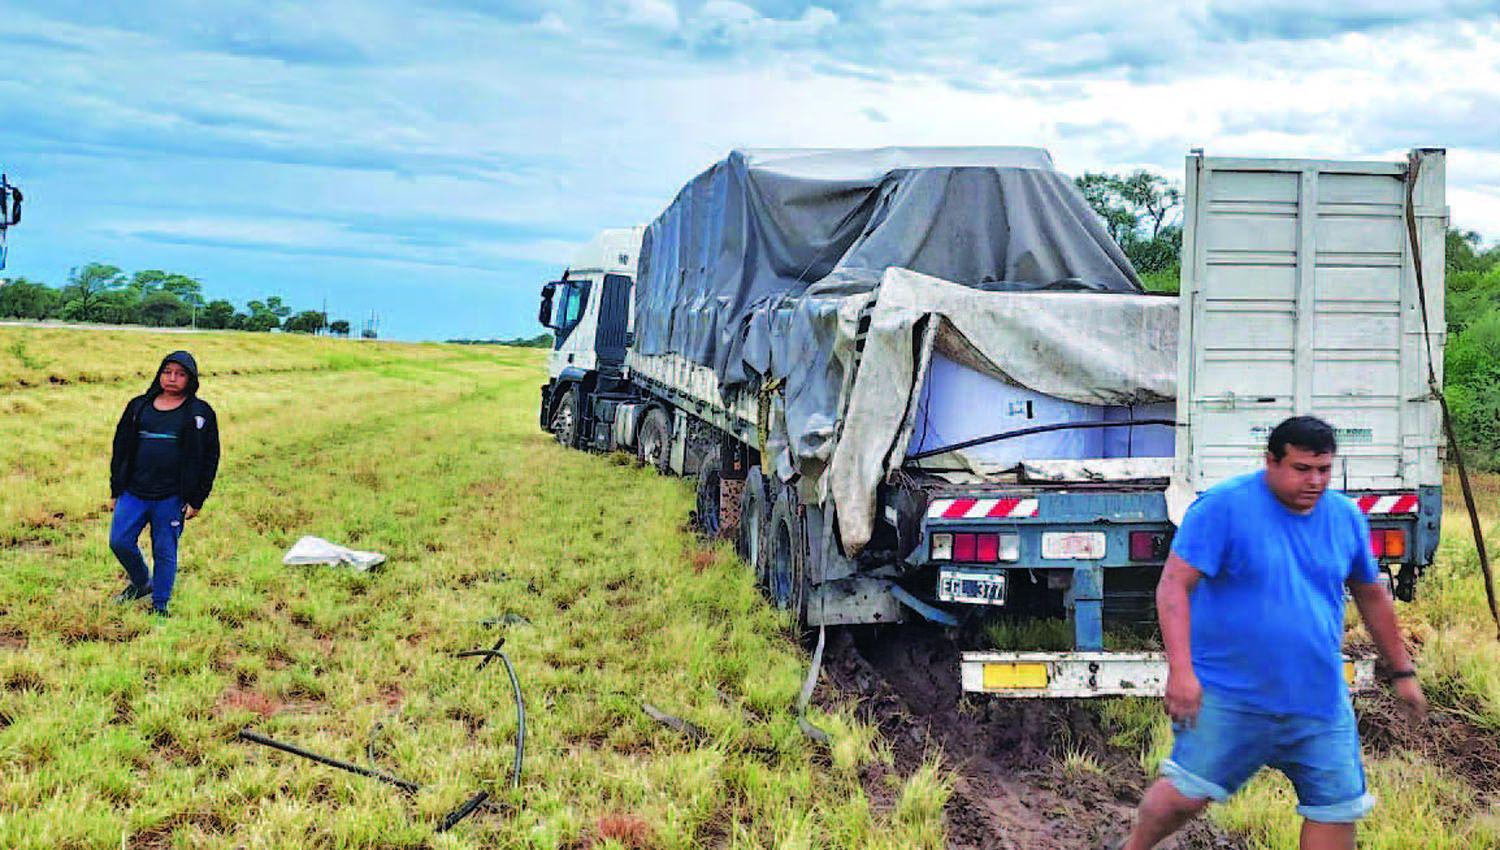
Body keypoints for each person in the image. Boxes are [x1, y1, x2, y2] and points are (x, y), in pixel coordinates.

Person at [1122, 416, 1426, 850]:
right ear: (1270, 461)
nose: (1315, 481)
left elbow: (1371, 595)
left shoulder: (1344, 518)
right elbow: (1173, 586)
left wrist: (1402, 672)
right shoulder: (1222, 508)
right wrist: (1181, 672)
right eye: (1302, 469)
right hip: (1230, 695)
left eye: (1324, 469)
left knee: (1335, 809)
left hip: (1317, 700)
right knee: (1182, 799)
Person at [107, 350, 220, 617]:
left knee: (165, 549)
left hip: (172, 496)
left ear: (190, 379)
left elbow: (210, 457)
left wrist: (197, 499)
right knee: (119, 541)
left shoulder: (200, 413)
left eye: (180, 374)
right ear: (159, 374)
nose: (172, 379)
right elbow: (120, 447)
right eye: (167, 372)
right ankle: (141, 581)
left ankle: (160, 605)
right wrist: (115, 488)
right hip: (134, 491)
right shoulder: (138, 407)